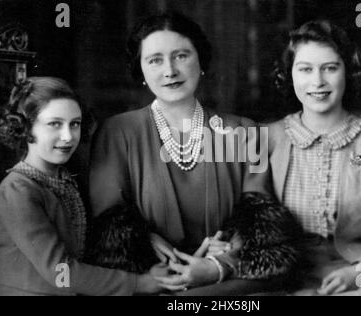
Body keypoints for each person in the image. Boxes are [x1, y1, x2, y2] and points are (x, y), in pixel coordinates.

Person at [89, 12, 295, 294]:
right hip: (152, 281)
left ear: (201, 61)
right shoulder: (116, 133)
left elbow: (263, 231)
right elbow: (107, 224)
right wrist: (145, 242)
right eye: (155, 60)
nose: (170, 70)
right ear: (141, 71)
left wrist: (219, 265)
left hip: (228, 283)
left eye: (181, 56)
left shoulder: (245, 131)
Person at [268, 20, 361, 295]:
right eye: (305, 69)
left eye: (330, 68)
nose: (318, 81)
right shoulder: (267, 140)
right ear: (289, 75)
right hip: (284, 276)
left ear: (348, 72)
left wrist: (358, 273)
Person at [0, 77, 167, 296]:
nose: (68, 136)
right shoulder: (17, 191)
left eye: (74, 124)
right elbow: (60, 272)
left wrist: (147, 239)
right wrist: (139, 284)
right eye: (54, 124)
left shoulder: (65, 179)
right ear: (25, 127)